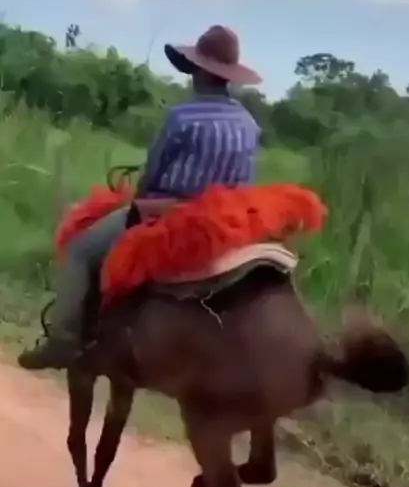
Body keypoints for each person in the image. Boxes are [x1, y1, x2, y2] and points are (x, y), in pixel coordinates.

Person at [18, 25, 262, 371]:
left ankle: (62, 340)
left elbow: (153, 174)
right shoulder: (249, 124)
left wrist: (141, 198)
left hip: (168, 216)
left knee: (78, 250)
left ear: (203, 71)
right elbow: (246, 182)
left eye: (195, 68)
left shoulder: (182, 115)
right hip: (226, 222)